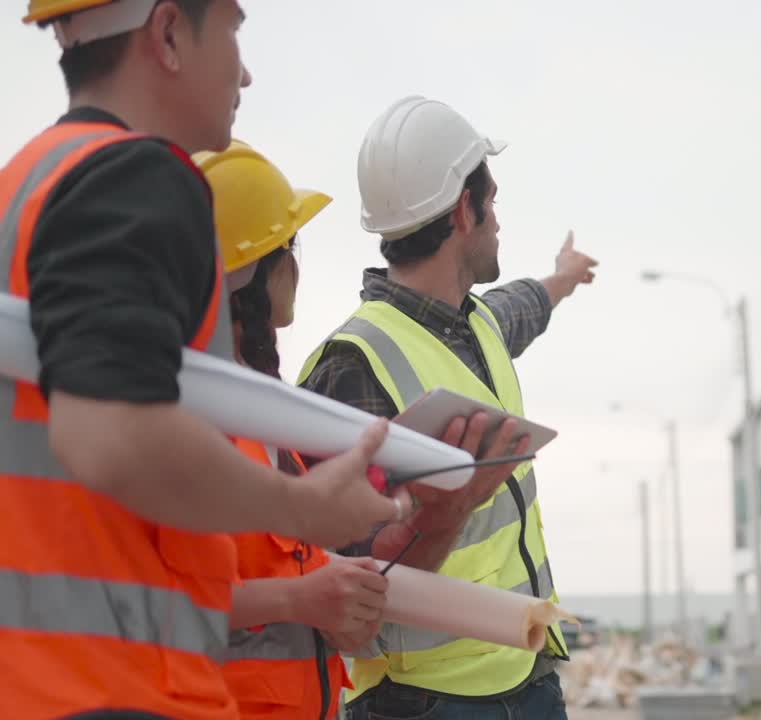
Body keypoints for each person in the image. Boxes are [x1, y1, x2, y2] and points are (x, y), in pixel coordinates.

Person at [0, 3, 407, 717]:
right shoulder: (135, 178)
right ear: (166, 34)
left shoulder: (23, 186)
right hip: (113, 688)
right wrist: (306, 508)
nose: (244, 71)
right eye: (232, 30)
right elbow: (110, 434)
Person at [298, 96, 598, 719]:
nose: (499, 223)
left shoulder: (480, 323)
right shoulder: (352, 365)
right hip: (427, 702)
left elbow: (528, 303)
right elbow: (348, 578)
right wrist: (446, 513)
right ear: (467, 210)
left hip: (527, 667)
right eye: (495, 206)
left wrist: (564, 276)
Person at [194, 140, 393, 720]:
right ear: (257, 270)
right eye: (290, 244)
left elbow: (257, 565)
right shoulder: (199, 414)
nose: (296, 265)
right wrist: (303, 597)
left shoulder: (256, 407)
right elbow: (155, 593)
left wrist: (328, 579)